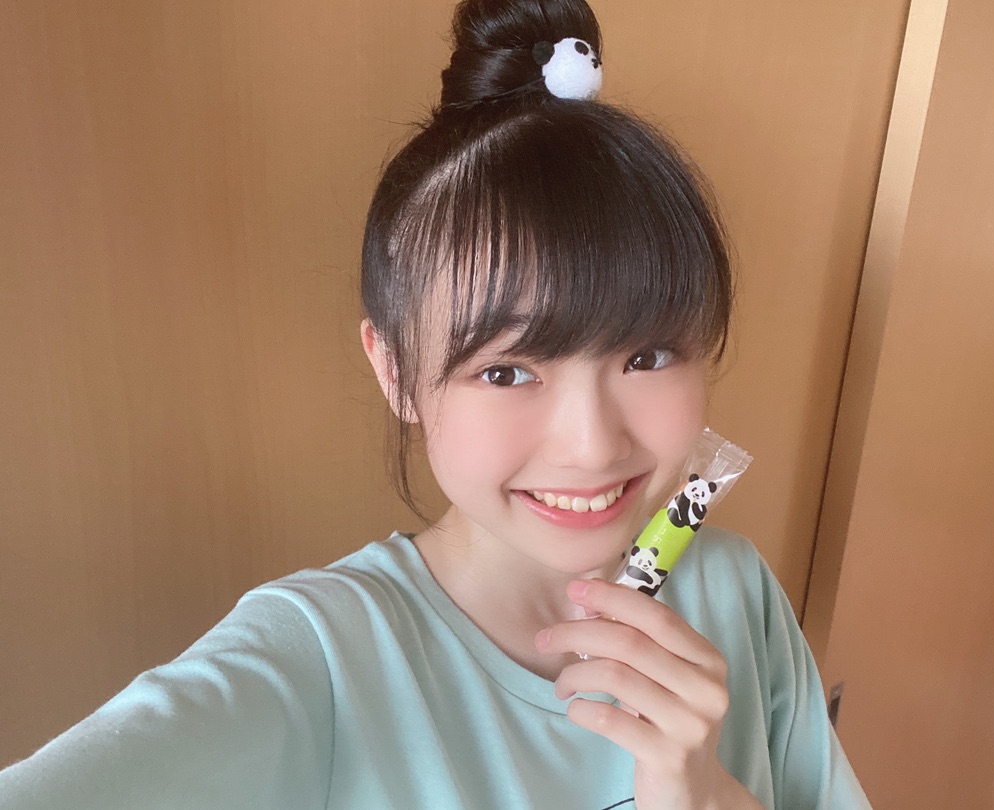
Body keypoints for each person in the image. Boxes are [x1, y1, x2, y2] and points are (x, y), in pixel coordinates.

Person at [0, 0, 872, 807]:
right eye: (507, 371)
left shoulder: (736, 593)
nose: (592, 444)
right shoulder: (317, 659)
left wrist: (710, 795)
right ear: (395, 370)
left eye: (646, 356)